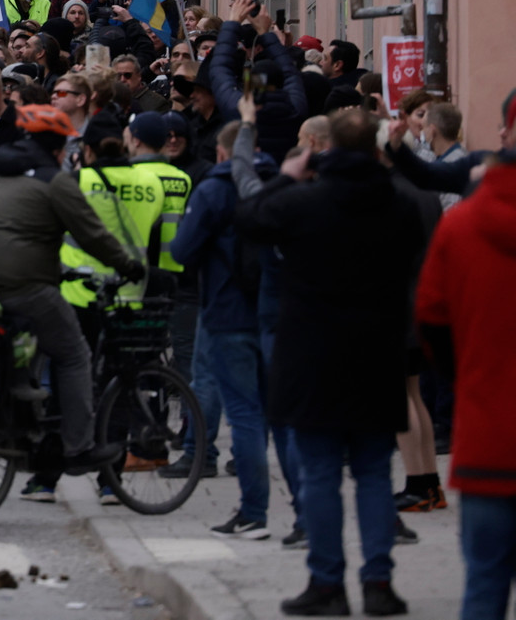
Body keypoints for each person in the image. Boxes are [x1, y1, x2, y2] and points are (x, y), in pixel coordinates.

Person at [237, 109, 426, 617]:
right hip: (378, 350)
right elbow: (415, 258)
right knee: (372, 472)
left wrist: (286, 177)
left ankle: (326, 583)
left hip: (312, 353)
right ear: (375, 150)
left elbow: (250, 220)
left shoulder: (303, 201)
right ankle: (379, 582)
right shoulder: (401, 205)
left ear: (327, 149)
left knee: (319, 472)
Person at [0, 105, 140, 493]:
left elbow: (13, 230)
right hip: (25, 285)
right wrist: (131, 267)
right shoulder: (55, 181)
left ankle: (13, 427)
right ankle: (78, 448)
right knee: (74, 353)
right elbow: (92, 235)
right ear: (57, 148)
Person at [414, 109, 516, 620]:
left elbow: (430, 316)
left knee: (484, 588)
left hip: (489, 443)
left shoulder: (463, 225)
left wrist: (465, 377)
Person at [171, 120, 274, 539]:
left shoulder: (214, 189)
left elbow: (182, 249)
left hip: (226, 309)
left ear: (222, 153)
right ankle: (302, 516)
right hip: (272, 311)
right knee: (270, 413)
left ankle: (253, 510)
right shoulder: (279, 184)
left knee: (241, 410)